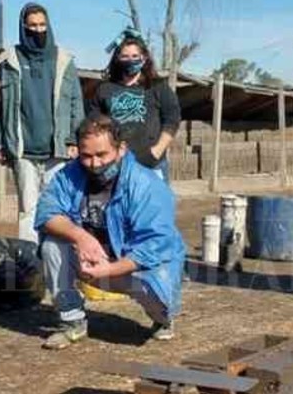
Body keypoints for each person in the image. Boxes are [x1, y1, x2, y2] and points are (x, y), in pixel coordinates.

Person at [34, 115, 185, 350]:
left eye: (101, 155)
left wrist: (110, 269)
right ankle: (71, 321)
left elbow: (153, 247)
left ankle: (162, 319)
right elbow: (46, 213)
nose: (94, 164)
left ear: (121, 149)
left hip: (134, 266)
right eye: (86, 156)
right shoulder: (69, 175)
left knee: (159, 284)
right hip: (91, 261)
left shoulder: (147, 185)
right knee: (52, 245)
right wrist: (81, 237)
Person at [0, 2, 85, 242]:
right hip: (23, 149)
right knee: (28, 208)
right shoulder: (9, 60)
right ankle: (31, 261)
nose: (38, 30)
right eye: (32, 25)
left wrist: (74, 139)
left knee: (57, 206)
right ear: (24, 27)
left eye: (42, 24)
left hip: (57, 149)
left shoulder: (63, 60)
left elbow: (76, 102)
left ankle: (56, 254)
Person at [88, 30, 181, 182]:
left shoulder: (157, 86)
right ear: (117, 58)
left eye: (134, 56)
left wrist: (156, 151)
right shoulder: (105, 89)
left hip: (152, 164)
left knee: (155, 205)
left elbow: (172, 119)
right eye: (124, 56)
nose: (129, 60)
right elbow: (94, 123)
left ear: (144, 58)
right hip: (116, 164)